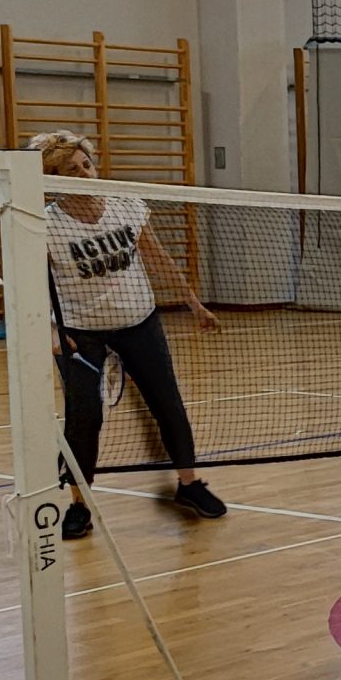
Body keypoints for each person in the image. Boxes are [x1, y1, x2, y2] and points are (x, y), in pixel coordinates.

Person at [34, 131, 227, 540]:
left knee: (168, 404)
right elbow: (33, 282)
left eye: (87, 165)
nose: (86, 174)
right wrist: (51, 329)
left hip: (140, 320)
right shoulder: (46, 225)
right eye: (72, 171)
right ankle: (79, 505)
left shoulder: (125, 205)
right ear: (53, 179)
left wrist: (193, 303)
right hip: (80, 332)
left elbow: (157, 257)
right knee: (84, 417)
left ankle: (189, 484)